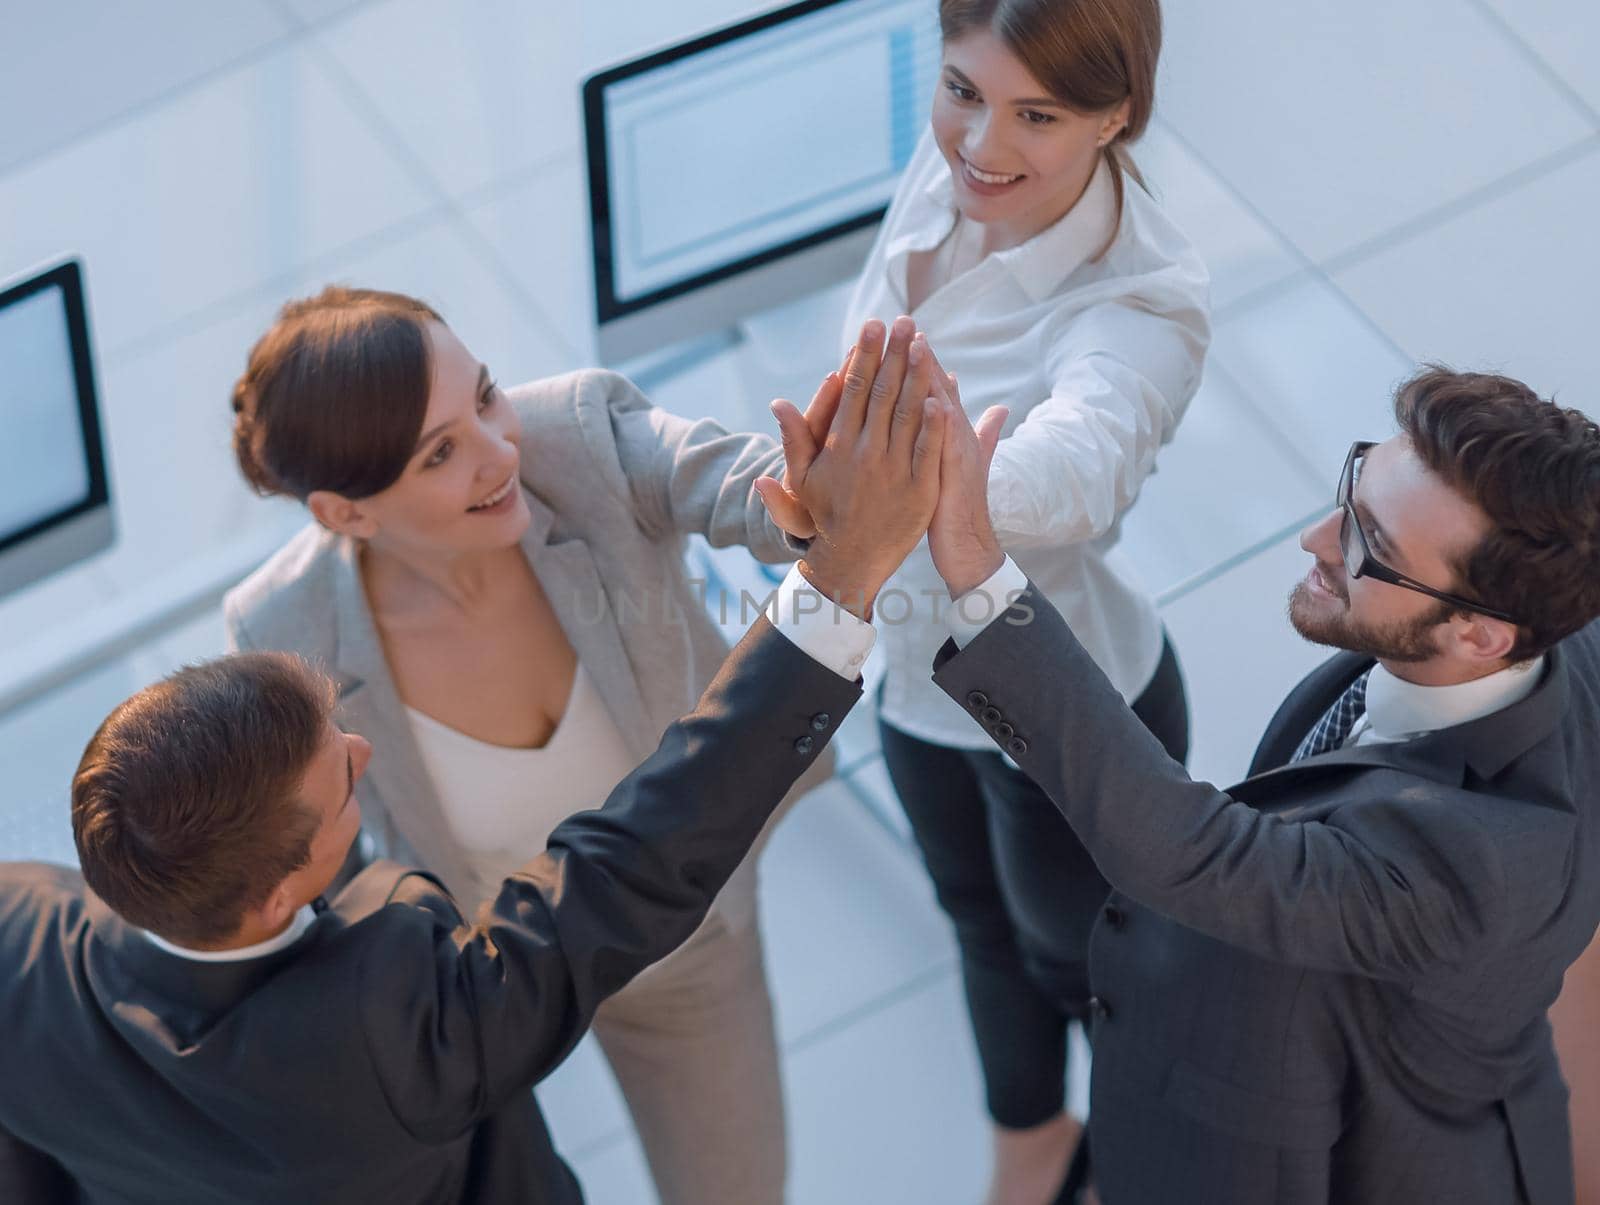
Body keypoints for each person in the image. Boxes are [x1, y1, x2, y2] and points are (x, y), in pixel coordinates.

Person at [0, 326, 949, 1204]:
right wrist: (844, 582)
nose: (361, 754)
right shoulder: (400, 1029)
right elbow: (638, 861)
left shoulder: (16, 950)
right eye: (340, 790)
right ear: (281, 892)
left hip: (686, 974)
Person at [780, 360, 1600, 1204]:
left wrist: (978, 567)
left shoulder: (1466, 866)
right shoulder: (1543, 622)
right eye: (1354, 485)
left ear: (1481, 636)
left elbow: (1194, 850)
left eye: (1370, 546)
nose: (1318, 537)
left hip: (1349, 1160)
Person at [223, 286, 834, 1204]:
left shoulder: (578, 435)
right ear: (345, 513)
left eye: (484, 397)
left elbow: (727, 481)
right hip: (484, 978)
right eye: (441, 453)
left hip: (675, 933)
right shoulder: (285, 625)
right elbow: (335, 856)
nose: (498, 450)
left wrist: (810, 504)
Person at [821, 0, 1209, 1197]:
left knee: (1081, 960)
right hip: (919, 683)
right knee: (978, 923)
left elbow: (1077, 466)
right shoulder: (957, 179)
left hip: (1068, 699)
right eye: (960, 91)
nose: (981, 140)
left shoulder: (1137, 305)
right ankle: (1027, 1147)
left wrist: (893, 482)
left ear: (1115, 115)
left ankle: (1160, 1168)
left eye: (1035, 114)